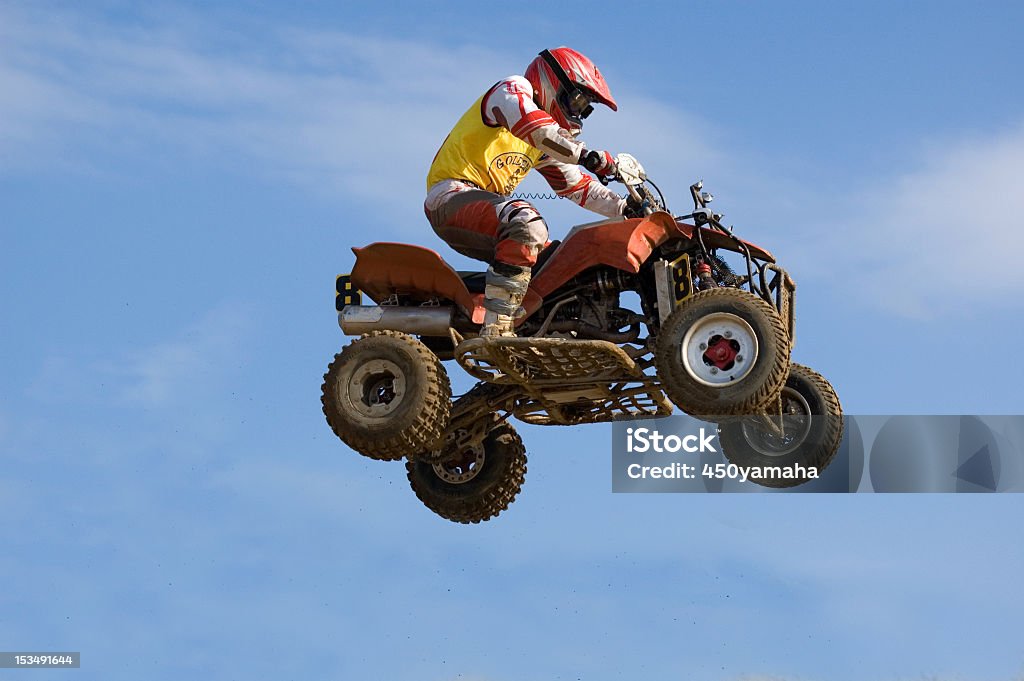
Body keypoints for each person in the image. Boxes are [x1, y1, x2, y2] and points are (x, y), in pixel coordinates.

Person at [424, 47, 640, 337]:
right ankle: (498, 325)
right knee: (526, 222)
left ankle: (552, 336)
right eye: (577, 101)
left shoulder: (544, 144)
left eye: (584, 109)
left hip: (488, 209)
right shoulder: (511, 90)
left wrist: (626, 208)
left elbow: (578, 187)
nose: (578, 113)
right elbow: (536, 129)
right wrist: (587, 155)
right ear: (552, 81)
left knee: (566, 262)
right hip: (450, 196)